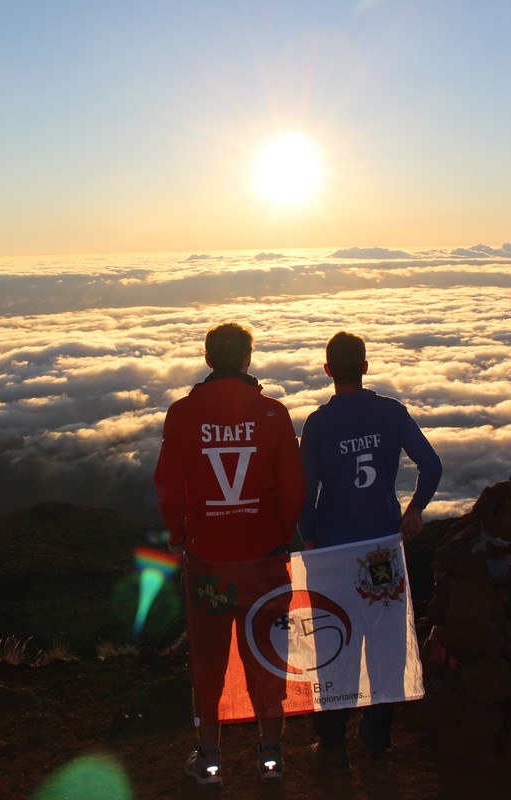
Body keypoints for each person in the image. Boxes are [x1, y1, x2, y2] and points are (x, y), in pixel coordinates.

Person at [154, 322, 306, 786]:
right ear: (247, 360)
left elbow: (168, 486)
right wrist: (279, 535)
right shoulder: (274, 415)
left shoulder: (182, 414)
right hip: (264, 561)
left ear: (207, 360)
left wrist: (179, 535)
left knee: (208, 661)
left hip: (208, 565)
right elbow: (293, 487)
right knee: (266, 654)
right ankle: (271, 756)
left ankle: (210, 759)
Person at [297, 330, 443, 772]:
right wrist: (414, 511)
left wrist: (309, 538)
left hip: (333, 554)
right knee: (385, 643)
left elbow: (306, 492)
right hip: (382, 550)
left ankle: (332, 745)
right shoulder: (391, 413)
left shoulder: (318, 424)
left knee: (334, 642)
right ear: (364, 366)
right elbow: (432, 465)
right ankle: (377, 738)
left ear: (327, 371)